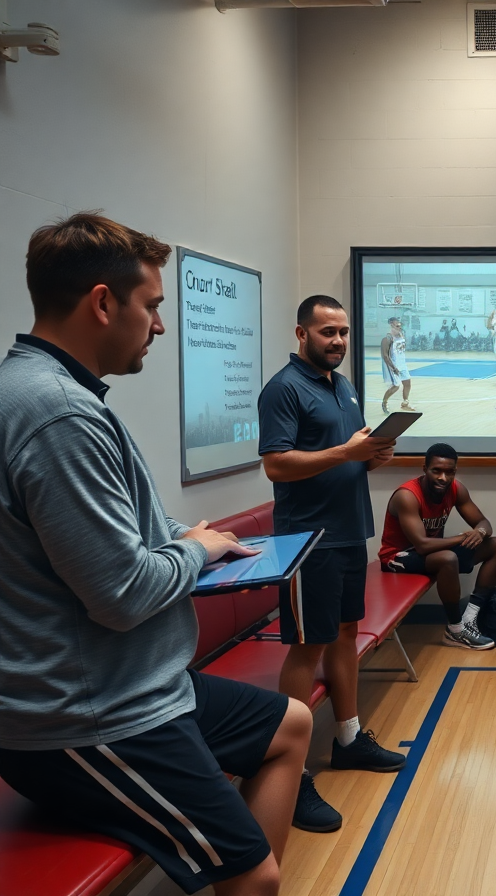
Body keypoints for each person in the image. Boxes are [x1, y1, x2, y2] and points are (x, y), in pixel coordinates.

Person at [0, 213, 311, 896]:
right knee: (257, 876)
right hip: (90, 718)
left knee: (291, 723)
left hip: (139, 686)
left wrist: (197, 542)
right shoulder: (56, 413)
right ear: (102, 303)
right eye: (152, 305)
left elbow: (124, 527)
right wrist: (195, 551)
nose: (160, 325)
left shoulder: (53, 393)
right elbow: (123, 596)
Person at [258, 295, 402, 835]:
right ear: (302, 334)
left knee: (344, 633)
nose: (338, 340)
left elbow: (347, 456)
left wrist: (373, 455)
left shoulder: (343, 386)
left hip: (348, 533)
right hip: (307, 542)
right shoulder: (283, 389)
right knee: (308, 645)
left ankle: (348, 739)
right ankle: (289, 775)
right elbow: (276, 464)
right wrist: (346, 454)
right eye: (327, 332)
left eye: (342, 332)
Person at [379, 443, 496, 650]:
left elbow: (484, 523)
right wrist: (462, 537)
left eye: (449, 472)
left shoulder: (456, 489)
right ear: (425, 469)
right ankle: (455, 630)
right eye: (436, 471)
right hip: (398, 557)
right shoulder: (407, 495)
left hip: (434, 551)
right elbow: (422, 545)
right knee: (448, 558)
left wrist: (479, 532)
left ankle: (469, 618)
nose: (443, 478)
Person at [380, 316, 416, 413]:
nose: (399, 327)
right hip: (393, 365)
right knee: (396, 386)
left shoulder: (401, 335)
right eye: (397, 325)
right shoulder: (387, 339)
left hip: (402, 363)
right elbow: (385, 356)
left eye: (400, 325)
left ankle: (405, 403)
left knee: (407, 383)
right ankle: (384, 402)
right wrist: (393, 367)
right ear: (391, 325)